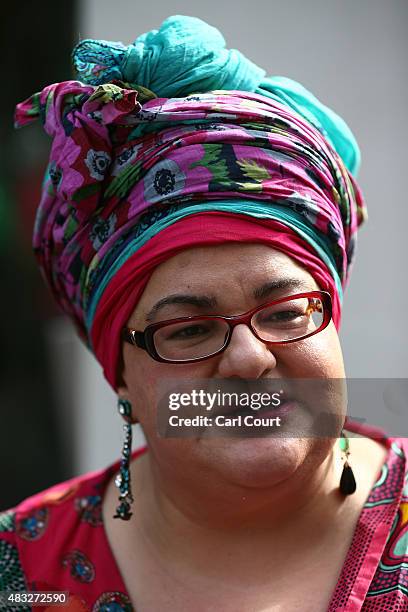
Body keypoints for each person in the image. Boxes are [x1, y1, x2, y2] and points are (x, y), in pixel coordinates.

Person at [1, 14, 407, 612]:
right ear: (121, 375)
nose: (248, 358)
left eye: (286, 312)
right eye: (188, 330)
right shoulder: (23, 577)